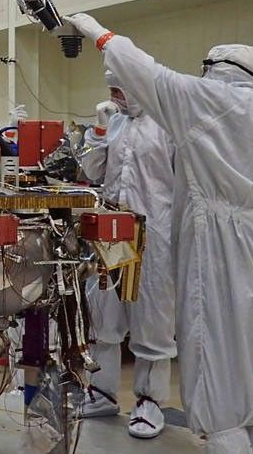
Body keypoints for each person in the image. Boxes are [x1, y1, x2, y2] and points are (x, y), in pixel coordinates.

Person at [63, 13, 253, 454]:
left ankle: (159, 406)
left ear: (218, 71)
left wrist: (100, 34)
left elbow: (151, 74)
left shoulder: (205, 107)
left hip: (215, 245)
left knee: (215, 360)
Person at [77, 70, 176, 439]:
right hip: (112, 230)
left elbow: (183, 181)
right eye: (112, 89)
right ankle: (102, 392)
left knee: (153, 315)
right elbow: (91, 171)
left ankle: (150, 401)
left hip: (155, 233)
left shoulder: (168, 124)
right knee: (104, 309)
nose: (117, 96)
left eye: (121, 88)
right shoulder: (114, 122)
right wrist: (99, 133)